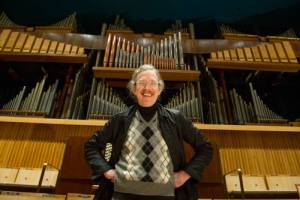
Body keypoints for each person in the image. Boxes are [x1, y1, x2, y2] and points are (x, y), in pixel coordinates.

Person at [85, 64, 213, 200]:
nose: (147, 88)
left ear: (159, 89)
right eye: (141, 83)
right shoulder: (119, 119)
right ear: (134, 88)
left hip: (166, 195)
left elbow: (206, 148)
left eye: (152, 83)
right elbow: (91, 146)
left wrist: (185, 174)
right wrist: (107, 171)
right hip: (123, 194)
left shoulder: (176, 119)